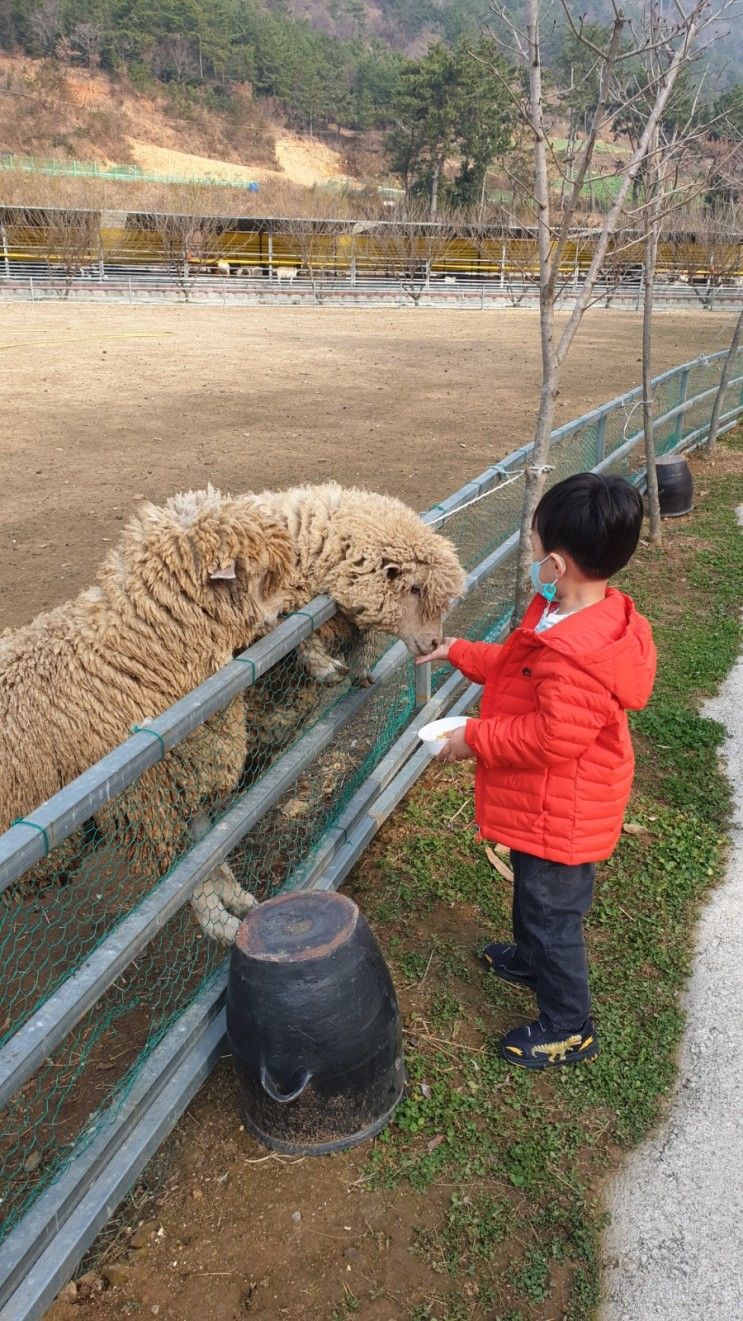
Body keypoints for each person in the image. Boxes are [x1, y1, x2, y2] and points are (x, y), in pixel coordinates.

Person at [417, 472, 656, 1069]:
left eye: (533, 541)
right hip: (550, 806)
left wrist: (471, 737)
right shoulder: (568, 616)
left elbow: (552, 737)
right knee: (534, 893)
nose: (529, 550)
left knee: (553, 916)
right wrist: (461, 652)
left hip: (564, 811)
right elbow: (520, 668)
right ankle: (529, 956)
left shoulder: (577, 656)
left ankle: (570, 1027)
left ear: (555, 561)